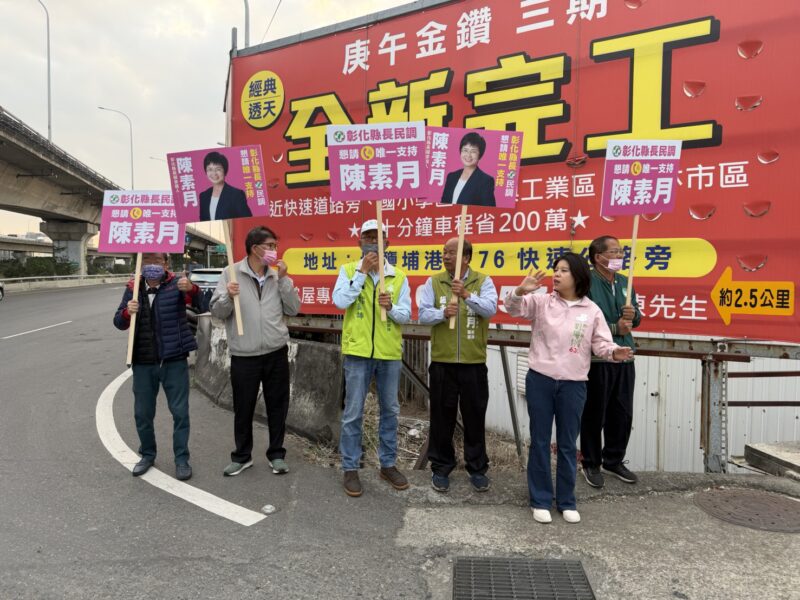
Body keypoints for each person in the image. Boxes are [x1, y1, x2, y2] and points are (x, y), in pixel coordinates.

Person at [505, 252, 632, 524]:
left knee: (567, 443)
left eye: (564, 270)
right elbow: (512, 308)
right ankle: (540, 499)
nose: (557, 274)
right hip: (540, 380)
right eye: (556, 269)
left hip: (574, 384)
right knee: (540, 440)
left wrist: (614, 352)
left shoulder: (591, 310)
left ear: (578, 276)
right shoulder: (541, 302)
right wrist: (520, 290)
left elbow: (601, 343)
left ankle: (566, 500)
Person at [209, 226, 301, 477]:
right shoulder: (231, 273)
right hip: (244, 354)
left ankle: (276, 454)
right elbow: (217, 311)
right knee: (244, 407)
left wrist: (284, 280)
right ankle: (242, 456)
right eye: (270, 246)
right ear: (254, 248)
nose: (274, 250)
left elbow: (293, 309)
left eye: (275, 246)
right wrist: (229, 296)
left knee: (278, 406)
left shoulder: (277, 275)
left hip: (275, 351)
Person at [332, 219, 412, 497]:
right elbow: (340, 301)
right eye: (367, 238)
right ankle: (350, 467)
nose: (372, 243)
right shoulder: (348, 270)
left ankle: (387, 464)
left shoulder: (398, 276)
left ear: (387, 244)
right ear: (359, 243)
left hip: (388, 354)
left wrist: (391, 307)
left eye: (377, 238)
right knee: (353, 412)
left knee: (390, 411)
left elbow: (406, 315)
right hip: (358, 353)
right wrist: (362, 273)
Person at [418, 238, 497, 493]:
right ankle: (441, 467)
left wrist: (466, 295)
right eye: (444, 252)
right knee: (442, 418)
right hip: (443, 362)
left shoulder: (483, 281)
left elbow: (490, 309)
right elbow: (422, 315)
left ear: (466, 257)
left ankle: (477, 468)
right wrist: (442, 314)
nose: (446, 256)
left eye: (451, 252)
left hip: (474, 363)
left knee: (475, 416)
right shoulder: (434, 282)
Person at [113, 252, 201, 481]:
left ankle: (181, 459)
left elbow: (203, 305)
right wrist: (127, 312)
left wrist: (192, 289)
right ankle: (147, 454)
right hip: (143, 361)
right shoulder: (133, 288)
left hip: (173, 360)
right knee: (142, 414)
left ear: (166, 264)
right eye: (147, 261)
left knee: (180, 413)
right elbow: (119, 322)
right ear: (140, 264)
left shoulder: (178, 285)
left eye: (157, 261)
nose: (152, 265)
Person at [580, 236, 643, 488]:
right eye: (615, 252)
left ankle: (614, 460)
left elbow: (635, 319)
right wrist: (615, 327)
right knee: (595, 412)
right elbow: (582, 321)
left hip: (625, 356)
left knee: (622, 412)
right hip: (598, 359)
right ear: (598, 257)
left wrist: (633, 314)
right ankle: (591, 463)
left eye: (621, 251)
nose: (620, 256)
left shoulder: (625, 282)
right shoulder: (586, 282)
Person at [440, 132, 496, 207]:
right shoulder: (451, 177)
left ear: (480, 154)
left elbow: (489, 211)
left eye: (473, 151)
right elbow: (443, 205)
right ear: (460, 151)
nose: (468, 155)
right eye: (465, 150)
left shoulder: (486, 181)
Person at [198, 151, 252, 221]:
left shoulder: (236, 195)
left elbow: (247, 220)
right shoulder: (203, 196)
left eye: (218, 169)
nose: (214, 173)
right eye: (210, 169)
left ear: (225, 171)